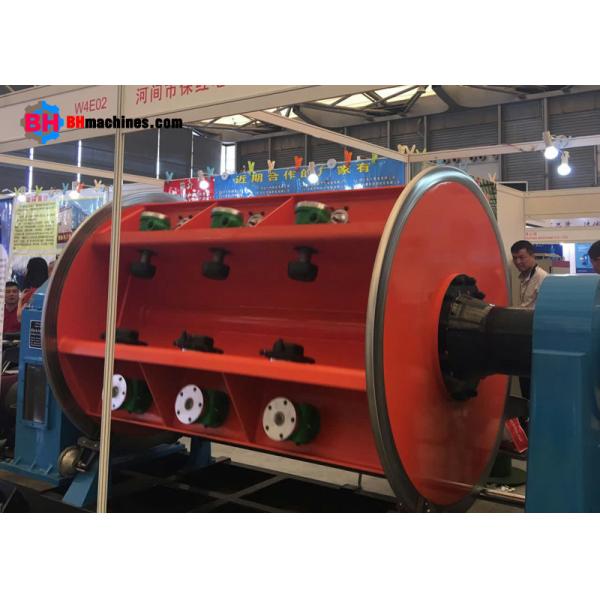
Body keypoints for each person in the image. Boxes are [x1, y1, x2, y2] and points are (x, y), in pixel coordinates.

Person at [511, 240, 548, 310]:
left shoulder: (543, 277)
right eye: (515, 258)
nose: (518, 262)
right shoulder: (523, 277)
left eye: (521, 257)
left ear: (532, 256)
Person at [17, 257, 49, 323]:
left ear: (31, 271)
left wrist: (20, 301)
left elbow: (20, 317)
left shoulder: (30, 293)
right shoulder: (49, 290)